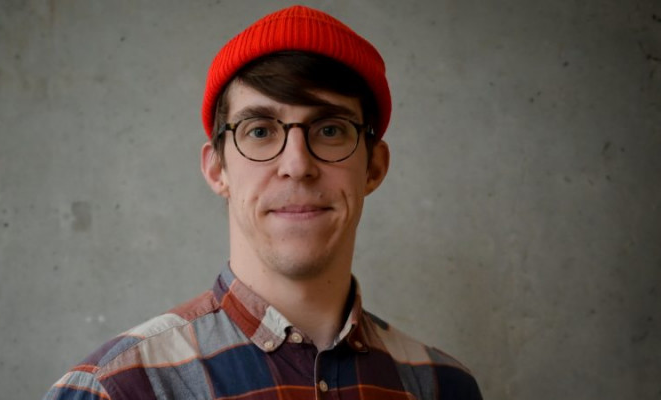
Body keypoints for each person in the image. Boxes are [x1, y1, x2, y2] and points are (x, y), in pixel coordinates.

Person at [44, 5, 482, 400]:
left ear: (374, 167)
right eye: (259, 131)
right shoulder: (117, 390)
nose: (297, 165)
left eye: (330, 130)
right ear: (217, 169)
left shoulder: (442, 386)